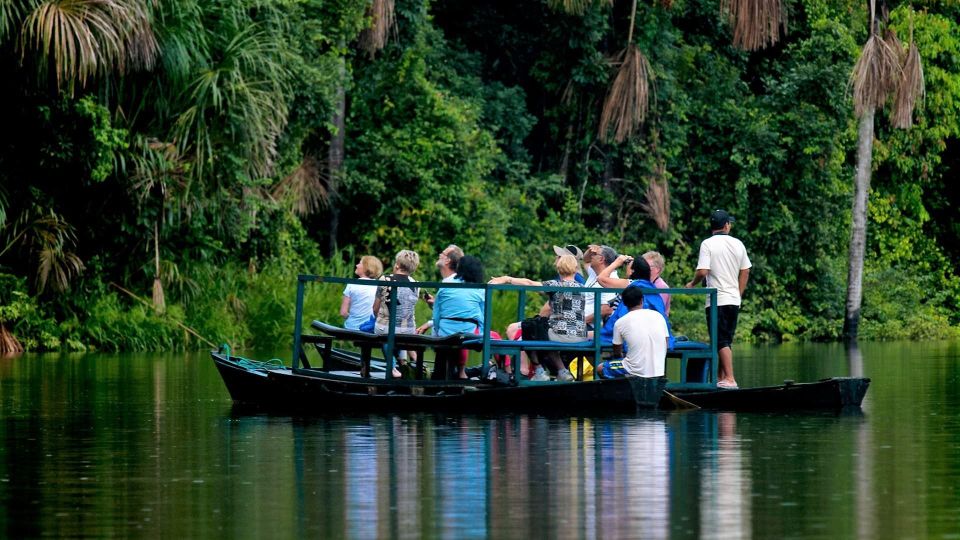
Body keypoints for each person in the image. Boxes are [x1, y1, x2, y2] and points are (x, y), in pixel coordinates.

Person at [488, 254, 585, 382]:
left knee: (529, 327)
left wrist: (507, 279)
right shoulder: (583, 287)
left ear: (558, 268)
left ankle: (539, 370)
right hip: (580, 335)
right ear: (575, 268)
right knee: (544, 331)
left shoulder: (555, 284)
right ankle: (562, 371)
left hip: (561, 335)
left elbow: (529, 283)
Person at [685, 209, 751, 389]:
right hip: (733, 299)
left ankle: (730, 378)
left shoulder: (707, 244)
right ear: (726, 225)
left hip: (717, 300)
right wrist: (739, 293)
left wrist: (692, 283)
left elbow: (703, 271)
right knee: (725, 340)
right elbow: (745, 270)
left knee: (720, 340)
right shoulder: (738, 244)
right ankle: (721, 378)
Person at [418, 255, 485, 379]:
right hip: (469, 333)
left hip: (445, 333)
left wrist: (436, 332)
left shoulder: (446, 285)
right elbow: (482, 317)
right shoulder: (480, 289)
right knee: (461, 337)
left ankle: (440, 378)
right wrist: (481, 333)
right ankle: (460, 373)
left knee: (444, 342)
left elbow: (437, 315)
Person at [597, 255, 672, 347]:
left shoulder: (631, 283)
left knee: (593, 336)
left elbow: (601, 278)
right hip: (647, 332)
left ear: (633, 270)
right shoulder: (649, 285)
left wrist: (617, 262)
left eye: (628, 265)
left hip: (628, 331)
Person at [596, 286, 669, 379]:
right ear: (642, 300)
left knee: (601, 368)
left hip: (634, 369)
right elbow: (665, 343)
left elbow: (617, 352)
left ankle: (620, 391)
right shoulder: (659, 316)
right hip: (659, 369)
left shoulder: (620, 322)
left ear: (624, 303)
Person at [372, 250, 421, 378]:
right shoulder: (416, 284)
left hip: (387, 329)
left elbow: (375, 308)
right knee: (399, 332)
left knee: (383, 330)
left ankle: (392, 367)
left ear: (398, 265)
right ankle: (405, 362)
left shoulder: (385, 279)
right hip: (409, 330)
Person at [340, 255, 383, 330]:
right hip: (370, 328)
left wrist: (353, 319)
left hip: (351, 327)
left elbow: (343, 313)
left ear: (366, 268)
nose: (356, 265)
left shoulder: (351, 284)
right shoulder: (379, 286)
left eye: (360, 263)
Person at [581, 244, 619, 325]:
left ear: (601, 259)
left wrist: (582, 322)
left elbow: (606, 309)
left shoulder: (612, 280)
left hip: (592, 329)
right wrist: (590, 251)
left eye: (594, 255)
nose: (591, 256)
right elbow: (585, 261)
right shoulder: (594, 272)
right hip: (583, 325)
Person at [643, 251, 671, 316]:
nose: (643, 268)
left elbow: (658, 312)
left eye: (646, 266)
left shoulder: (662, 287)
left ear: (657, 269)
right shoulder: (643, 283)